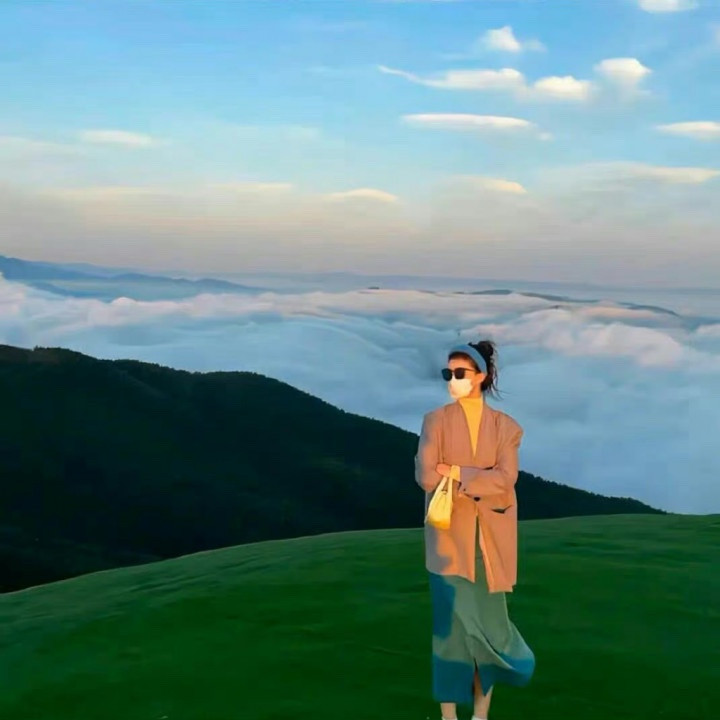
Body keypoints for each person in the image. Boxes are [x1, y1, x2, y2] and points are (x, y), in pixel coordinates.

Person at [414, 340, 535, 720]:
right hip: (447, 542)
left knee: (491, 632)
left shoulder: (506, 428)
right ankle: (448, 716)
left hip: (490, 544)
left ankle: (481, 715)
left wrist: (455, 472)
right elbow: (425, 475)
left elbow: (506, 479)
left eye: (459, 373)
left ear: (480, 377)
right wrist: (478, 477)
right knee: (449, 633)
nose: (452, 380)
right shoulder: (435, 421)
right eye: (447, 373)